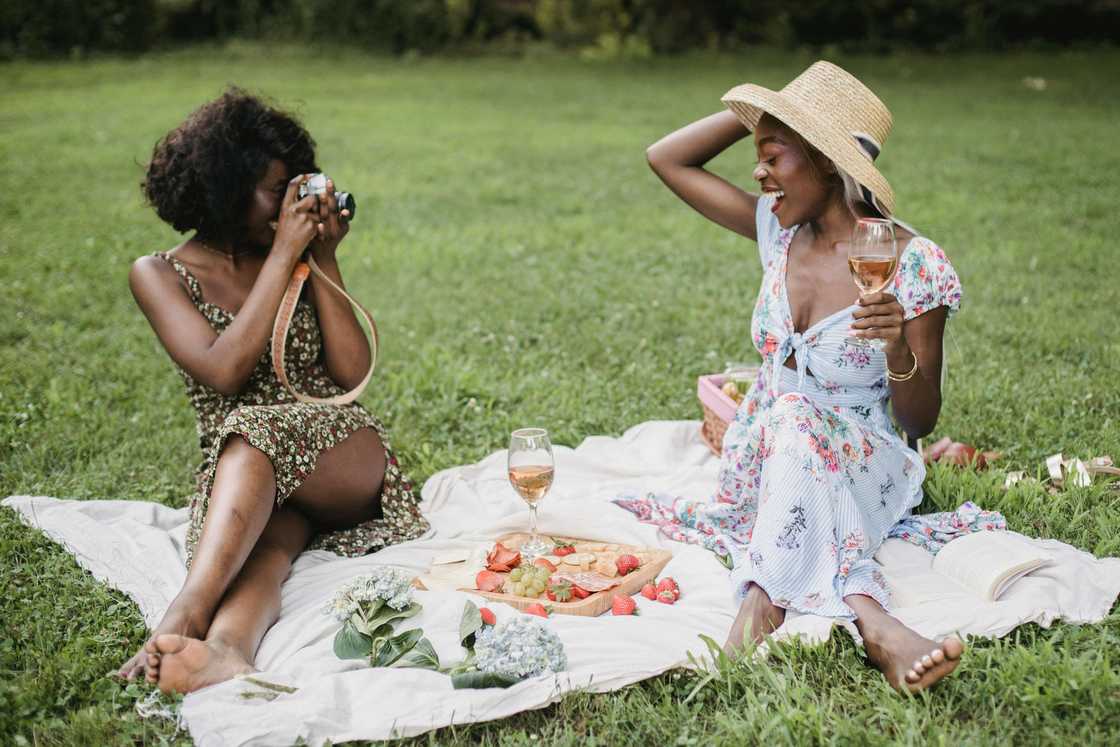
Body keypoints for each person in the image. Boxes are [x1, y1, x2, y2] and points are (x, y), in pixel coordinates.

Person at [626, 62, 965, 692]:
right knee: (788, 415)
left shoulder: (912, 262)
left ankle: (763, 600)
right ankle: (874, 623)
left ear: (829, 163)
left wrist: (895, 346)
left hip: (868, 458)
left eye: (774, 157)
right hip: (763, 457)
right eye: (760, 156)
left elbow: (920, 421)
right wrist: (767, 113)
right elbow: (667, 159)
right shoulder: (776, 231)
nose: (759, 174)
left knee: (796, 415)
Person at [117, 88, 429, 694]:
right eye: (276, 189)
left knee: (256, 434)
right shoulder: (157, 273)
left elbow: (350, 372)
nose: (290, 205)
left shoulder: (290, 255)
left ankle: (184, 610)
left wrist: (319, 257)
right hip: (250, 473)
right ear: (224, 186)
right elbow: (223, 371)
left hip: (342, 451)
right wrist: (285, 252)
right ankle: (227, 651)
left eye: (299, 186)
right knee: (264, 552)